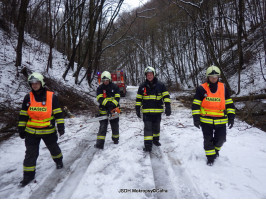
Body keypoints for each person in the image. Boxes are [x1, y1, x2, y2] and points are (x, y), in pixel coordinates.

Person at [18, 72, 65, 187]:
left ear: (41, 83)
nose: (34, 85)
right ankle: (28, 176)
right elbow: (23, 114)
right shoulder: (28, 97)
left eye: (36, 83)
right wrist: (21, 128)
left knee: (54, 149)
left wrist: (60, 126)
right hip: (31, 132)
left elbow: (58, 113)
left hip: (47, 131)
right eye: (32, 83)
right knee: (30, 154)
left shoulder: (51, 96)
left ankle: (59, 161)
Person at [192, 65, 235, 166]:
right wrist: (196, 119)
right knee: (208, 140)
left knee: (221, 139)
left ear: (218, 77)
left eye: (216, 76)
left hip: (220, 120)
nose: (214, 78)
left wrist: (231, 117)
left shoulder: (223, 87)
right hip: (206, 120)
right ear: (208, 77)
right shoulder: (201, 88)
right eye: (211, 76)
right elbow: (195, 105)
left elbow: (229, 103)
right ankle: (210, 158)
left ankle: (215, 151)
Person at [135, 67, 171, 152]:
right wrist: (137, 108)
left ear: (154, 74)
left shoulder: (161, 85)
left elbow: (166, 97)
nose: (149, 76)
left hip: (157, 112)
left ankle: (155, 140)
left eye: (150, 74)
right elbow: (138, 99)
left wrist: (168, 106)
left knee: (156, 128)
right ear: (146, 76)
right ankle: (148, 145)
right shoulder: (142, 86)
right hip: (147, 112)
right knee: (148, 128)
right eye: (147, 74)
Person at [95, 71, 120, 149]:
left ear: (109, 79)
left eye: (107, 80)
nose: (105, 82)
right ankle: (100, 144)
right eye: (104, 80)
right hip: (103, 111)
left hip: (113, 110)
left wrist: (112, 105)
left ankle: (115, 139)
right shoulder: (100, 88)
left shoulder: (115, 87)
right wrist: (107, 105)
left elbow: (117, 97)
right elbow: (99, 98)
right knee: (102, 127)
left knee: (115, 125)